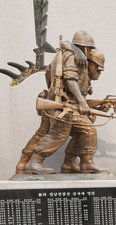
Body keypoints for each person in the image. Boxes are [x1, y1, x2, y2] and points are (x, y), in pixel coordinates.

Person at [24, 31, 109, 175]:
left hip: (69, 105)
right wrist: (82, 102)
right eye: (88, 49)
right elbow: (70, 79)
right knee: (58, 135)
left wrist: (96, 106)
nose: (89, 53)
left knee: (85, 131)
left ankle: (74, 164)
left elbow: (78, 93)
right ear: (84, 48)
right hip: (63, 106)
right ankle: (34, 162)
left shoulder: (78, 59)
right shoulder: (72, 57)